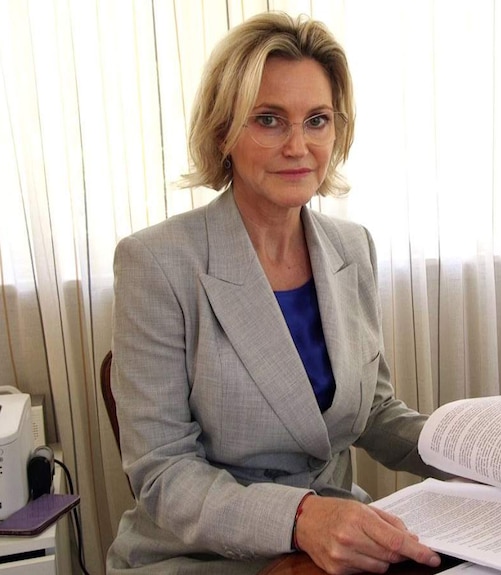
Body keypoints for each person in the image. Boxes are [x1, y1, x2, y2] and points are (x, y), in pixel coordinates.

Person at [106, 12, 448, 575]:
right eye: (269, 120)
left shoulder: (352, 246)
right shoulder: (156, 261)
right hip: (204, 553)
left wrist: (478, 453)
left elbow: (373, 412)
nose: (299, 145)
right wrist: (301, 518)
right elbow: (163, 472)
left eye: (317, 120)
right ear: (223, 132)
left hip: (331, 546)